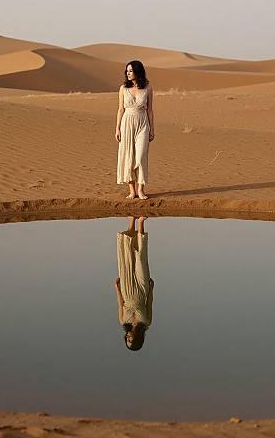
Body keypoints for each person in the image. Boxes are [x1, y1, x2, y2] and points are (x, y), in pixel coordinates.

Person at [115, 60, 155, 200]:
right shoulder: (123, 89)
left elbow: (150, 110)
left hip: (143, 123)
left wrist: (152, 129)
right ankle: (132, 191)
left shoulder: (148, 88)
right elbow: (120, 109)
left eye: (131, 71)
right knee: (128, 156)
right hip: (126, 123)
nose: (128, 73)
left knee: (141, 156)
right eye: (127, 71)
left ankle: (141, 189)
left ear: (138, 71)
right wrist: (117, 129)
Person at [114, 216, 154, 351]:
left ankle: (131, 221)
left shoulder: (123, 321)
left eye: (127, 340)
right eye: (131, 340)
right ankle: (141, 222)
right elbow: (149, 303)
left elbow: (120, 303)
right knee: (140, 258)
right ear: (137, 339)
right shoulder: (146, 322)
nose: (128, 338)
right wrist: (152, 289)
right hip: (143, 290)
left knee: (127, 257)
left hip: (127, 289)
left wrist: (116, 288)